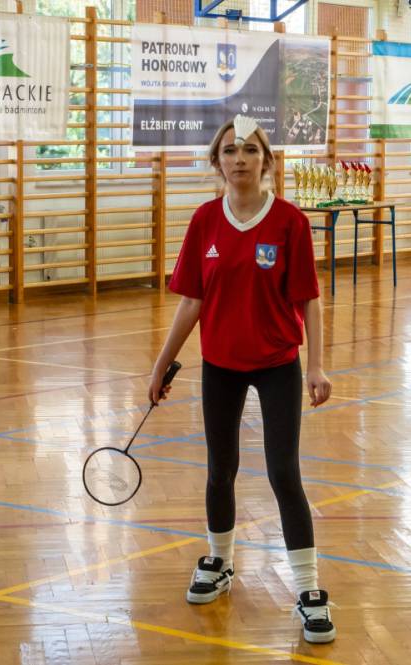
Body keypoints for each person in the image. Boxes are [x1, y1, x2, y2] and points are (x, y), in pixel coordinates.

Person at [148, 115, 336, 644]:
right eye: (229, 151)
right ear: (217, 161)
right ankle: (219, 561)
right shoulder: (205, 221)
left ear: (266, 161)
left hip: (277, 364)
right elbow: (192, 301)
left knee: (284, 475)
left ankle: (308, 589)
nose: (239, 159)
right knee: (220, 470)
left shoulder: (291, 222)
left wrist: (316, 365)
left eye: (250, 150)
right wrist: (161, 364)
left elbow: (309, 300)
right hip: (221, 366)